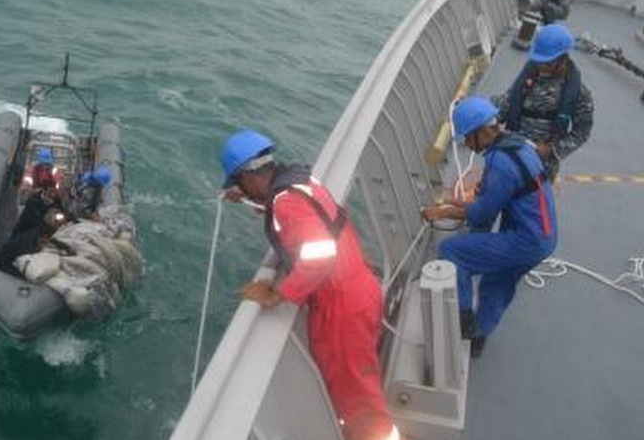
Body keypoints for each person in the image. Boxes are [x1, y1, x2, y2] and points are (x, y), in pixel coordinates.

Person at [219, 129, 398, 440]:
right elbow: (302, 214)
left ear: (247, 176)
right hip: (360, 288)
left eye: (240, 183)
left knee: (358, 399)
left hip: (342, 309)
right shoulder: (299, 182)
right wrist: (247, 198)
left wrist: (278, 294)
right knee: (357, 383)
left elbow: (320, 254)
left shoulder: (285, 203)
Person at [421, 97, 557, 358]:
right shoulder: (519, 145)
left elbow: (483, 214)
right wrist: (466, 202)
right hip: (544, 237)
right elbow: (504, 192)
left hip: (525, 240)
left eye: (467, 137)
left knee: (452, 251)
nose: (466, 145)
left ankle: (462, 322)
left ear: (481, 131)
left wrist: (444, 211)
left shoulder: (501, 163)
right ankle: (479, 336)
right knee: (498, 281)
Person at [494, 23, 594, 181]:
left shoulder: (579, 93)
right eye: (538, 61)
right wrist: (486, 117)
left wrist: (552, 150)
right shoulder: (527, 78)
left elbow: (582, 132)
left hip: (541, 166)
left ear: (563, 59)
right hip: (511, 154)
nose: (541, 66)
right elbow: (507, 102)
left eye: (547, 62)